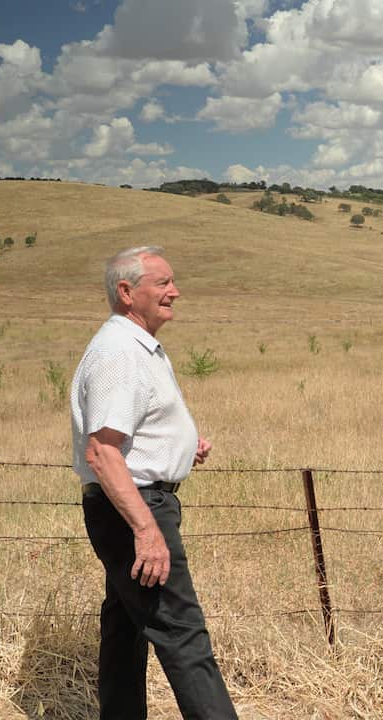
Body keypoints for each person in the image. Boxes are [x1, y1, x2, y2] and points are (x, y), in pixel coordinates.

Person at [71, 246, 237, 719]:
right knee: (184, 633)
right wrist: (147, 531)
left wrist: (180, 447)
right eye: (163, 283)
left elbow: (128, 437)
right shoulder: (120, 353)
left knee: (125, 629)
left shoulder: (135, 347)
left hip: (134, 503)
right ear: (127, 292)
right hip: (134, 509)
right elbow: (102, 451)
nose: (175, 291)